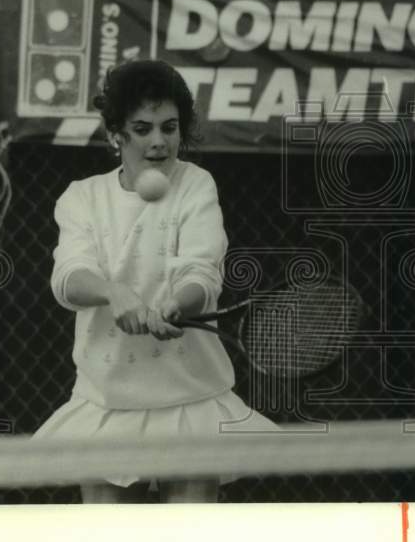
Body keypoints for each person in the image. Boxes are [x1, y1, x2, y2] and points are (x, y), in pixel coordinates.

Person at [34, 59, 275, 503]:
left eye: (170, 127)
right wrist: (114, 293)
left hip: (189, 395)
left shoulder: (197, 185)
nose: (160, 141)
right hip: (107, 398)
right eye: (143, 129)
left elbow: (202, 272)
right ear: (115, 135)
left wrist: (177, 305)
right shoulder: (82, 197)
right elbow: (67, 276)